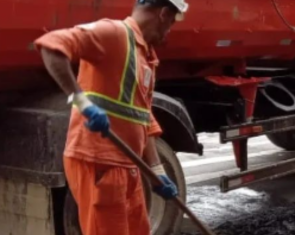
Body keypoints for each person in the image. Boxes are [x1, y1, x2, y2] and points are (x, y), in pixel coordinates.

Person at [34, 0, 189, 234]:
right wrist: (81, 102)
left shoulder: (146, 55)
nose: (170, 29)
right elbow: (51, 46)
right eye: (173, 21)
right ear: (164, 13)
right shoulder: (114, 33)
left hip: (129, 165)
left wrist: (157, 172)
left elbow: (143, 118)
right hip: (101, 163)